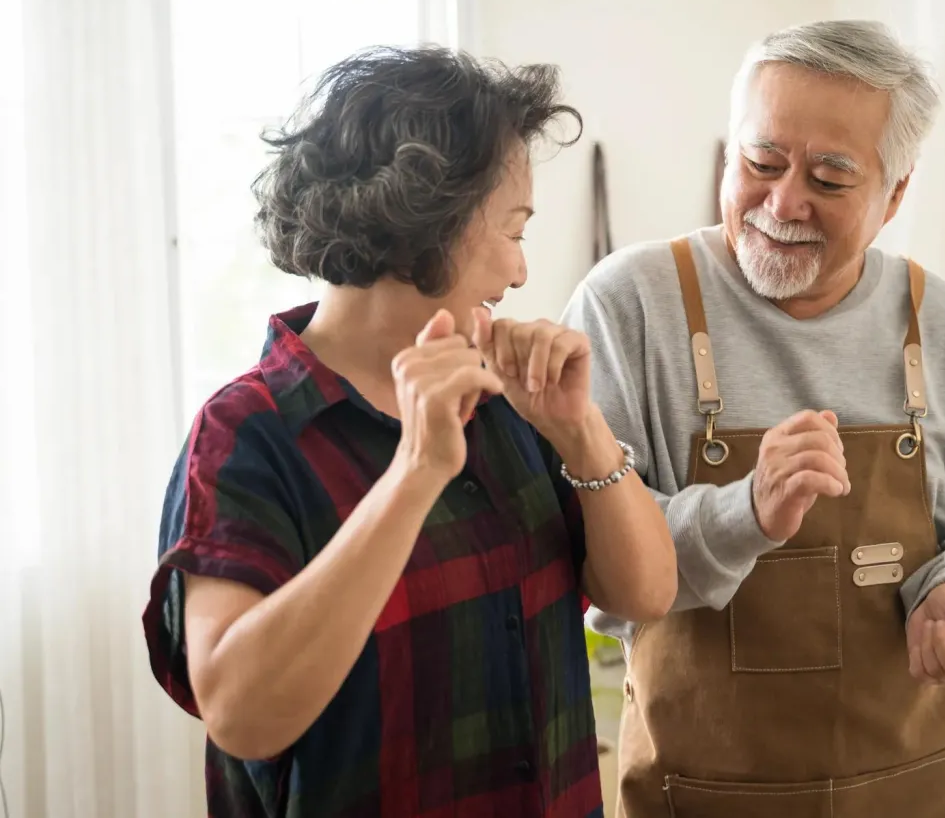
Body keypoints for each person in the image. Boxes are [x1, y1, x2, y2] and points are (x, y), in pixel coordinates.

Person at [141, 45, 677, 818]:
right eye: (513, 229)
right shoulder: (246, 435)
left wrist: (580, 430)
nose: (522, 272)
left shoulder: (505, 400)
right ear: (431, 218)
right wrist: (415, 472)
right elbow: (241, 714)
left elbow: (647, 592)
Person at [560, 19, 945, 817]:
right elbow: (593, 568)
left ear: (895, 193)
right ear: (732, 154)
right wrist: (743, 513)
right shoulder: (630, 306)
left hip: (922, 789)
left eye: (830, 179)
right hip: (698, 797)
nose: (782, 201)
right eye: (761, 163)